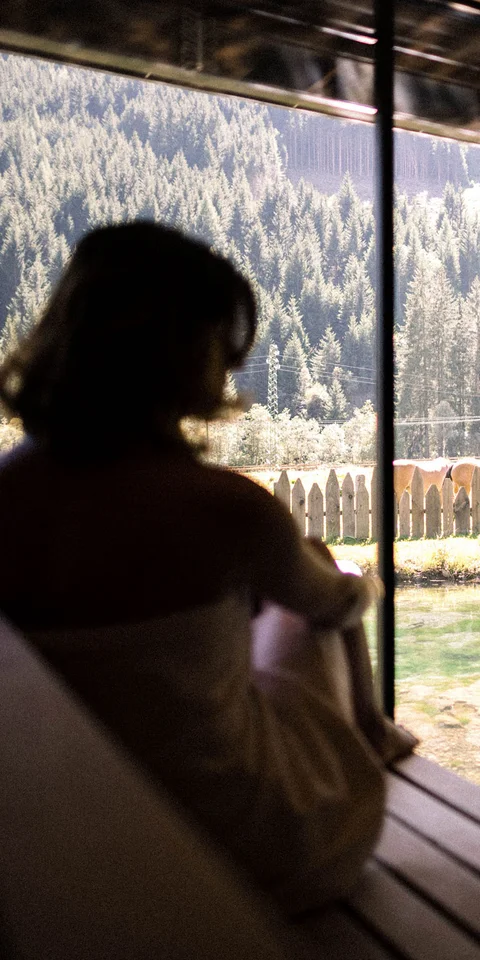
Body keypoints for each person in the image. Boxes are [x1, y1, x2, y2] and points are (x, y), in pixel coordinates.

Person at [0, 222, 415, 914]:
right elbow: (335, 607)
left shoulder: (9, 497)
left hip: (64, 862)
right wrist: (363, 584)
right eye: (222, 342)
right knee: (316, 575)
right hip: (247, 848)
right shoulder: (226, 509)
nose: (229, 364)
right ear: (184, 351)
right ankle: (375, 733)